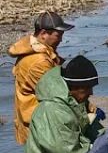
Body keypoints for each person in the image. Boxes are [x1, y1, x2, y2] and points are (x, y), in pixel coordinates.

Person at [8, 11, 73, 144]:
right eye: (58, 35)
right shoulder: (39, 61)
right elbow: (56, 94)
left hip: (33, 118)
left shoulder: (36, 50)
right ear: (43, 34)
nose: (61, 39)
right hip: (38, 123)